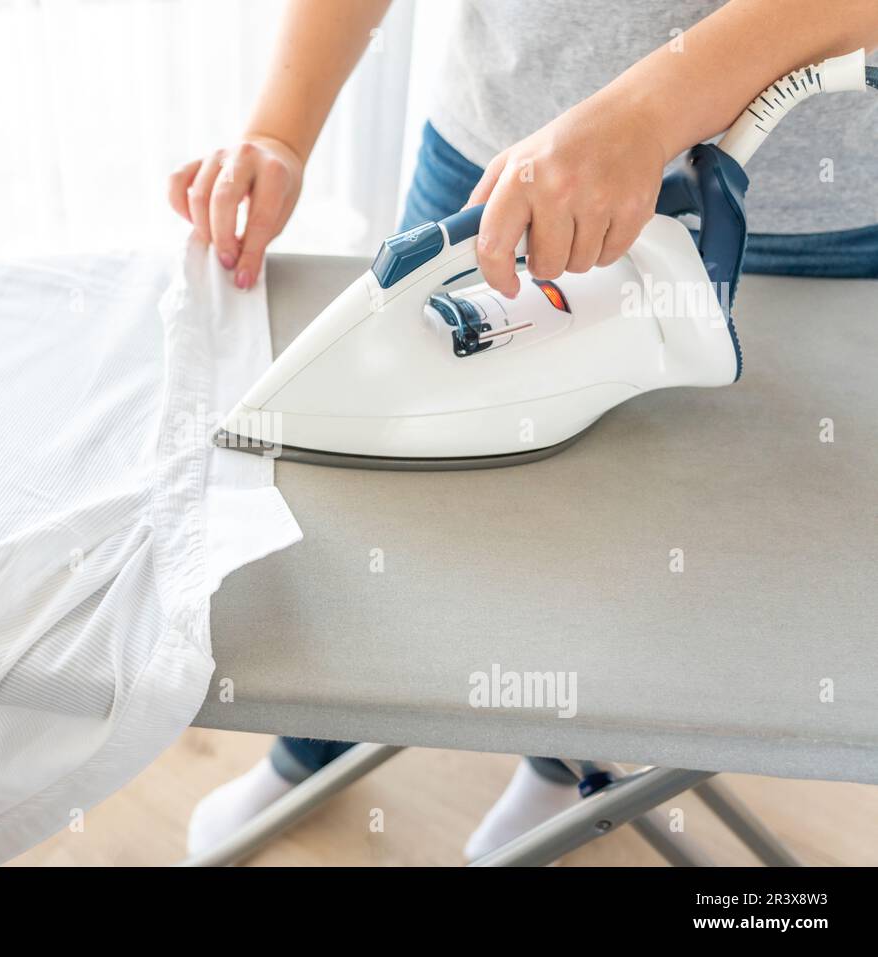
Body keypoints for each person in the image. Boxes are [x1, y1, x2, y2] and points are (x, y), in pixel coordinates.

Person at [170, 0, 878, 859]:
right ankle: (313, 744)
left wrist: (641, 113)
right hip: (490, 157)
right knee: (374, 522)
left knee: (658, 538)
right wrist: (281, 130)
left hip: (807, 209)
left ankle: (564, 757)